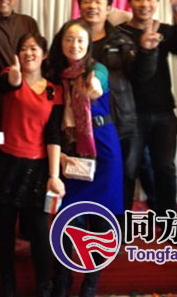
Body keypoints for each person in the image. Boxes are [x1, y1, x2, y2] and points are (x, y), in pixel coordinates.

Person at [47, 19, 123, 297]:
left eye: (80, 40)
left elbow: (97, 83)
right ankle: (62, 282)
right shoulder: (55, 75)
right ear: (61, 42)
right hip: (71, 151)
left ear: (89, 44)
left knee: (101, 223)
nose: (74, 45)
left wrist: (93, 86)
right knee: (68, 220)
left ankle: (90, 285)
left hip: (103, 150)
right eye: (69, 39)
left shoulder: (97, 69)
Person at [0, 33, 65, 297]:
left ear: (44, 54)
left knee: (39, 232)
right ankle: (7, 286)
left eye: (34, 48)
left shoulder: (54, 90)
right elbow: (7, 85)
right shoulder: (9, 75)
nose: (28, 53)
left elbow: (53, 135)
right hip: (6, 163)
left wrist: (54, 175)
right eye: (23, 49)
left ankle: (44, 287)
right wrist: (14, 78)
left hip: (38, 168)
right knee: (3, 230)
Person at [77, 0, 158, 213]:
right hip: (80, 122)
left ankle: (115, 225)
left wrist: (147, 52)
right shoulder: (70, 36)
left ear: (108, 8)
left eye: (98, 2)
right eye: (87, 1)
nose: (92, 6)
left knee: (120, 177)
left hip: (117, 119)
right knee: (82, 177)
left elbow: (140, 76)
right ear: (79, 6)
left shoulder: (121, 40)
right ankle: (83, 224)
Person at [121, 0, 177, 216]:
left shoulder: (164, 30)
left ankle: (169, 224)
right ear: (130, 1)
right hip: (131, 114)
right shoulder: (120, 33)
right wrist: (143, 49)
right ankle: (121, 224)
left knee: (165, 170)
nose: (144, 4)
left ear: (157, 1)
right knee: (128, 171)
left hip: (163, 113)